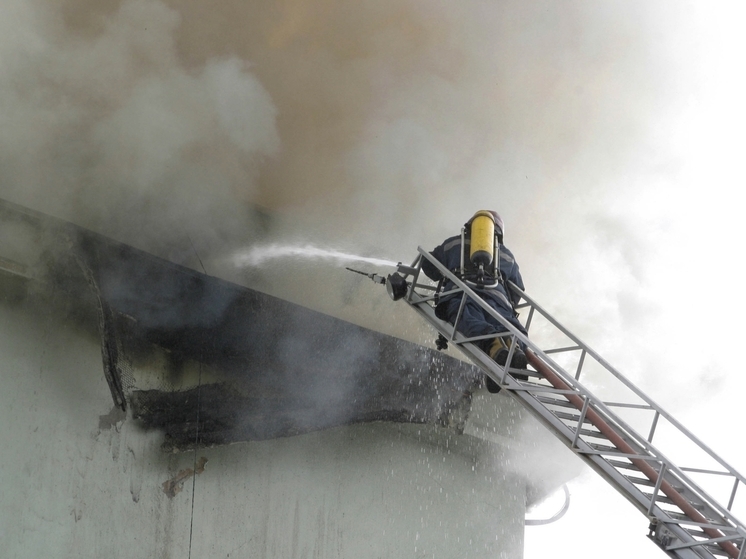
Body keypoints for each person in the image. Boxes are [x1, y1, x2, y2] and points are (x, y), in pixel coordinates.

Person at [421, 210, 528, 392]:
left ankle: (494, 347)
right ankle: (514, 347)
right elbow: (517, 290)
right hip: (498, 301)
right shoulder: (507, 255)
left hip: (462, 294)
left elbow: (429, 265)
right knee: (511, 327)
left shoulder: (454, 243)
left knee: (470, 322)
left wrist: (445, 273)